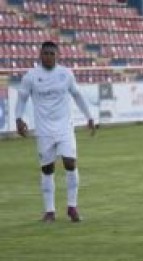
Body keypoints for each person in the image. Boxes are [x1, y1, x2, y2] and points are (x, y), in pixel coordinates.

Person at [15, 41, 96, 223]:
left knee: (70, 162)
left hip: (65, 127)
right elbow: (21, 98)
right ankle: (49, 211)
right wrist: (19, 119)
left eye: (52, 53)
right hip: (44, 130)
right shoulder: (31, 76)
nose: (49, 56)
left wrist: (89, 116)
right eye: (46, 53)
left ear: (58, 55)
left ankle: (72, 207)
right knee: (47, 169)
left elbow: (77, 95)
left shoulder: (65, 74)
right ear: (40, 55)